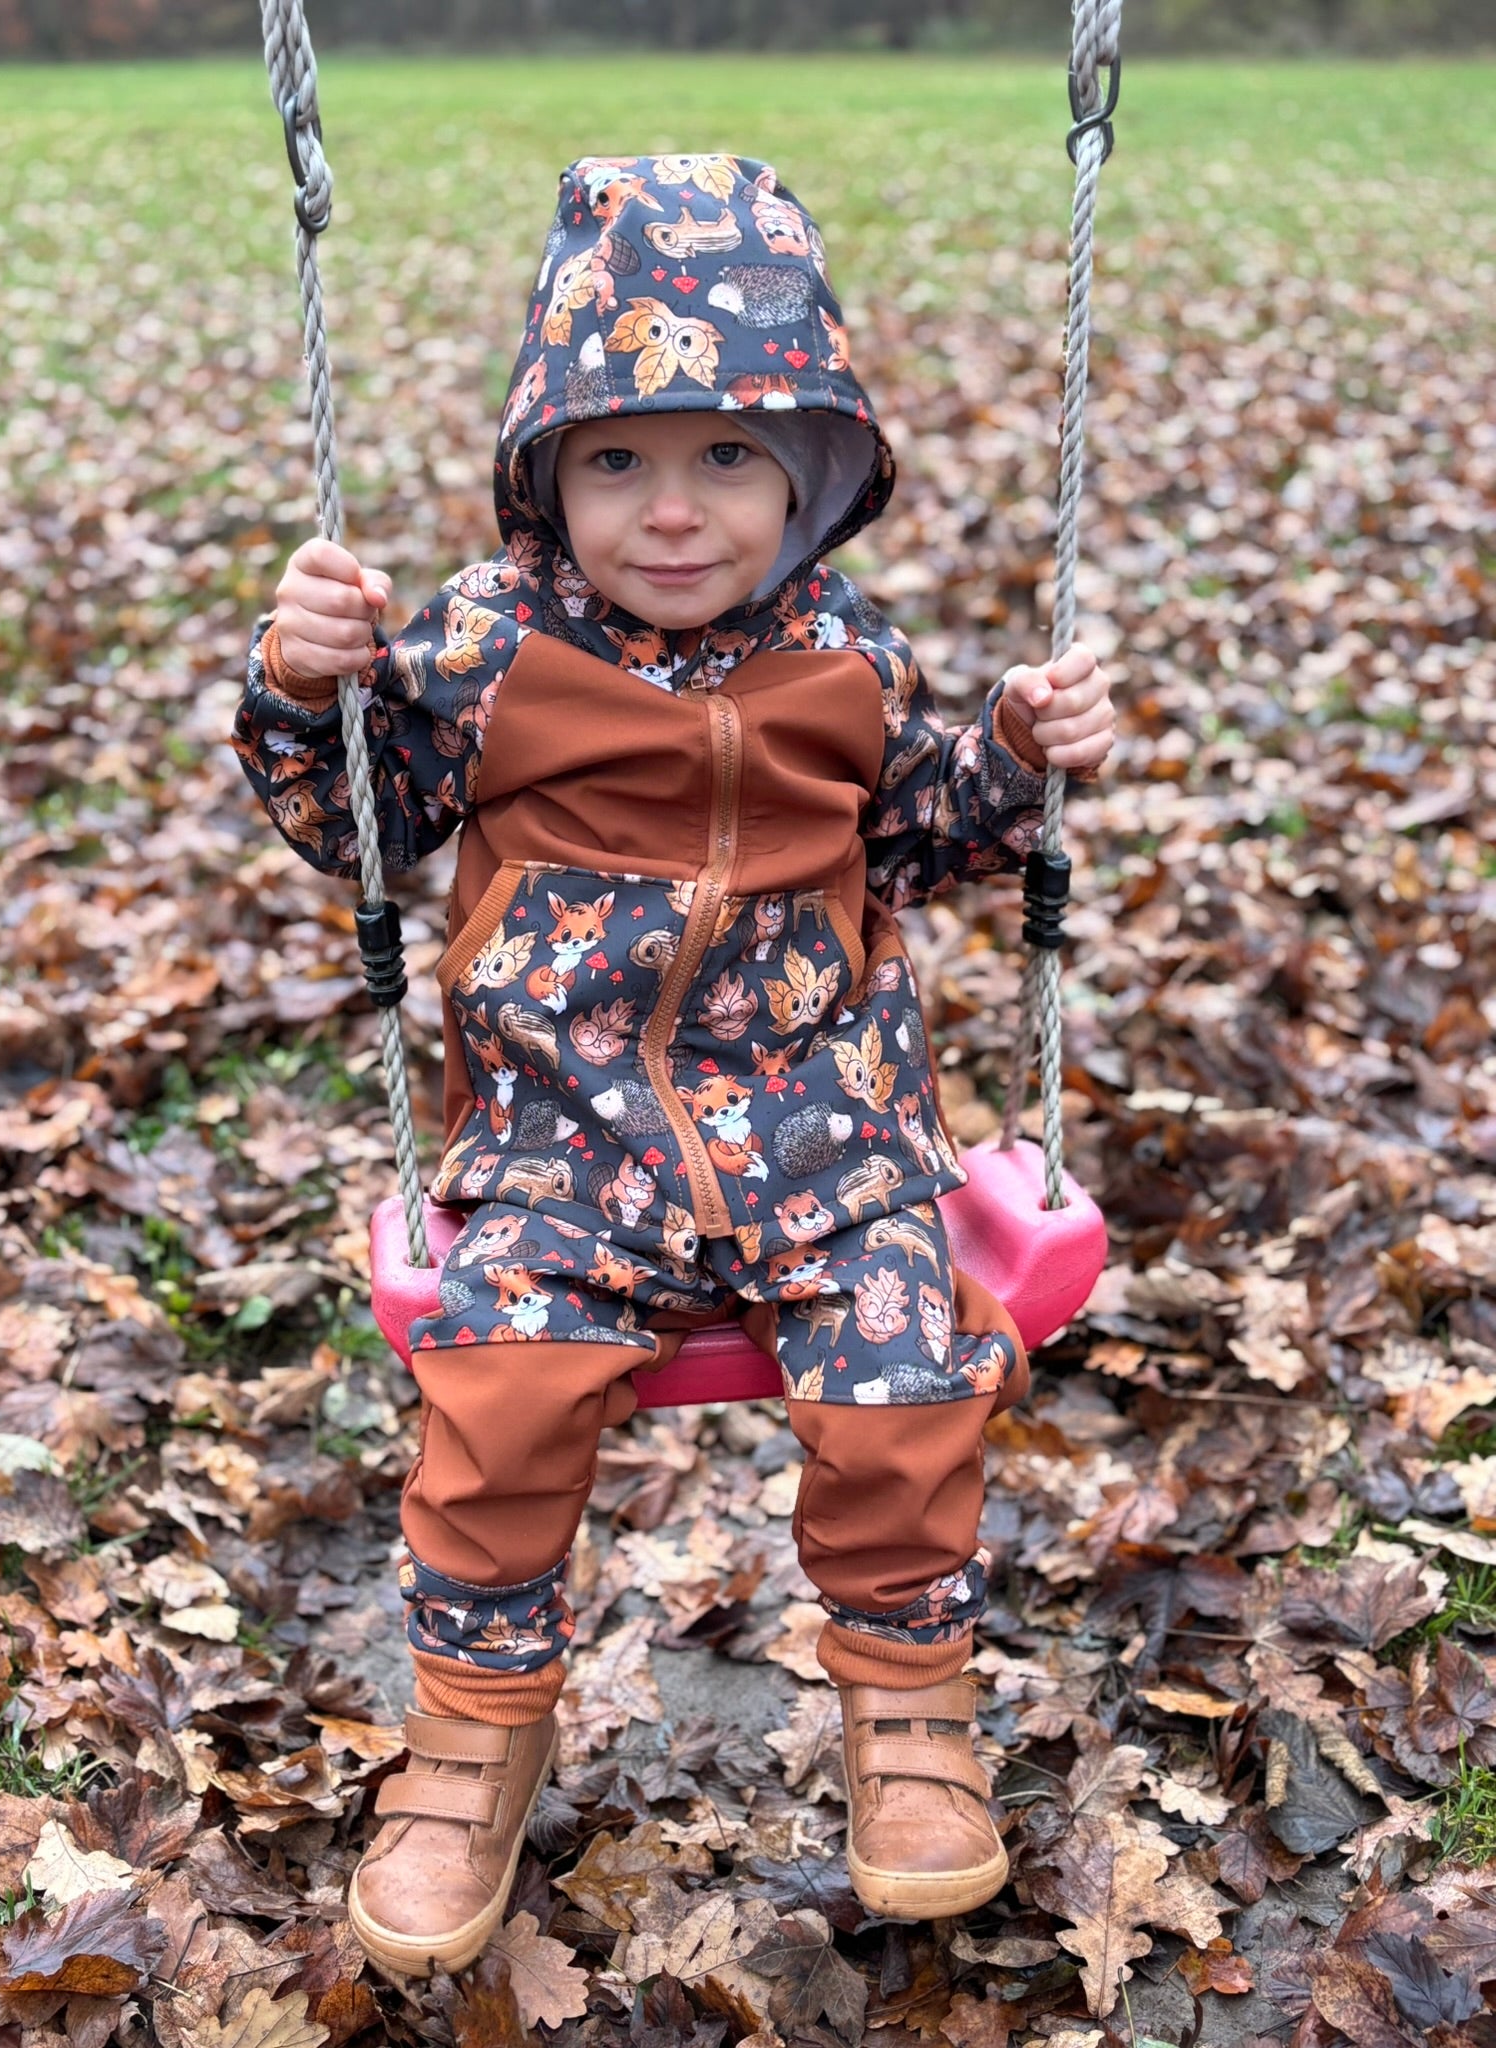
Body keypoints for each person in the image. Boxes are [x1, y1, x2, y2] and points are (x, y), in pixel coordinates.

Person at [233, 152, 1115, 1977]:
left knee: (910, 1373)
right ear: (546, 473)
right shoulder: (486, 645)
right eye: (618, 458)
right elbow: (357, 824)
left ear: (813, 470)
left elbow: (915, 840)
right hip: (564, 1140)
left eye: (727, 454)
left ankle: (910, 1711)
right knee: (497, 1392)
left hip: (826, 1131)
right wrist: (304, 686)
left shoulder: (847, 652)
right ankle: (473, 1739)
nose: (675, 509)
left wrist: (1017, 757)